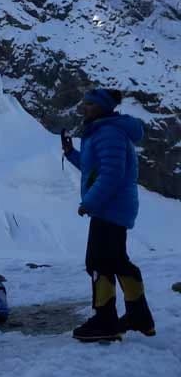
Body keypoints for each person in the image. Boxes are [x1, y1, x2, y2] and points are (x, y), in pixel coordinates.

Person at [63, 88, 155, 342]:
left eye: (91, 104)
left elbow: (111, 174)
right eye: (85, 103)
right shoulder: (102, 131)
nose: (85, 107)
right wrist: (71, 154)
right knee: (116, 260)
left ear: (103, 107)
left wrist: (90, 202)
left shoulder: (108, 132)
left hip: (110, 207)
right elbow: (94, 167)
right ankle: (139, 317)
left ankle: (105, 321)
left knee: (98, 262)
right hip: (113, 206)